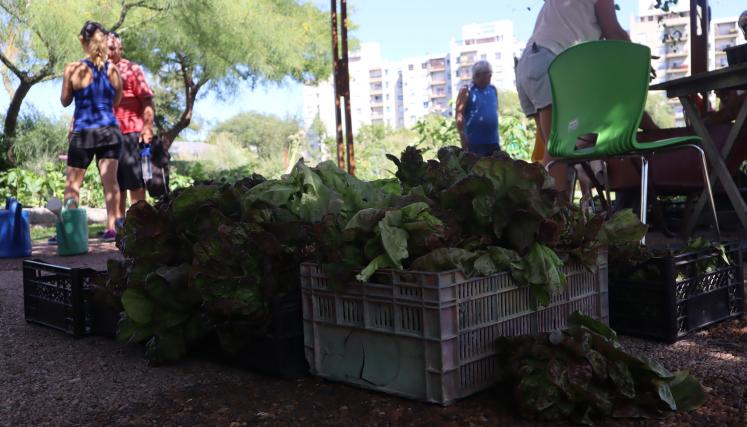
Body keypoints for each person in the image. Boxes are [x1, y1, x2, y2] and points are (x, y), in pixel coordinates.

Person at [515, 0, 658, 191]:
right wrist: (637, 63)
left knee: (557, 152)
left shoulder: (569, 17)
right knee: (558, 153)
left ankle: (557, 214)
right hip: (550, 60)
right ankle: (554, 217)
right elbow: (613, 31)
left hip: (530, 63)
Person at [60, 21, 123, 242]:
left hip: (84, 132)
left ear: (82, 41)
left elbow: (65, 101)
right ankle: (112, 229)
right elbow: (116, 101)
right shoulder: (113, 69)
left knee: (73, 183)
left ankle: (70, 231)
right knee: (111, 183)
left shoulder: (72, 69)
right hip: (109, 131)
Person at [107, 32, 155, 217]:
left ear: (120, 48)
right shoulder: (99, 71)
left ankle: (140, 223)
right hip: (106, 135)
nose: (109, 53)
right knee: (113, 183)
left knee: (135, 181)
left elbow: (147, 100)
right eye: (106, 48)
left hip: (131, 133)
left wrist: (147, 127)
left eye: (112, 48)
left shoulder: (132, 69)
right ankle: (119, 226)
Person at [455, 60, 500, 156]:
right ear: (477, 75)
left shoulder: (492, 89)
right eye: (488, 74)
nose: (490, 77)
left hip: (493, 141)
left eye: (490, 74)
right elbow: (459, 114)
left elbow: (494, 110)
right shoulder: (466, 91)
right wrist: (463, 137)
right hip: (475, 144)